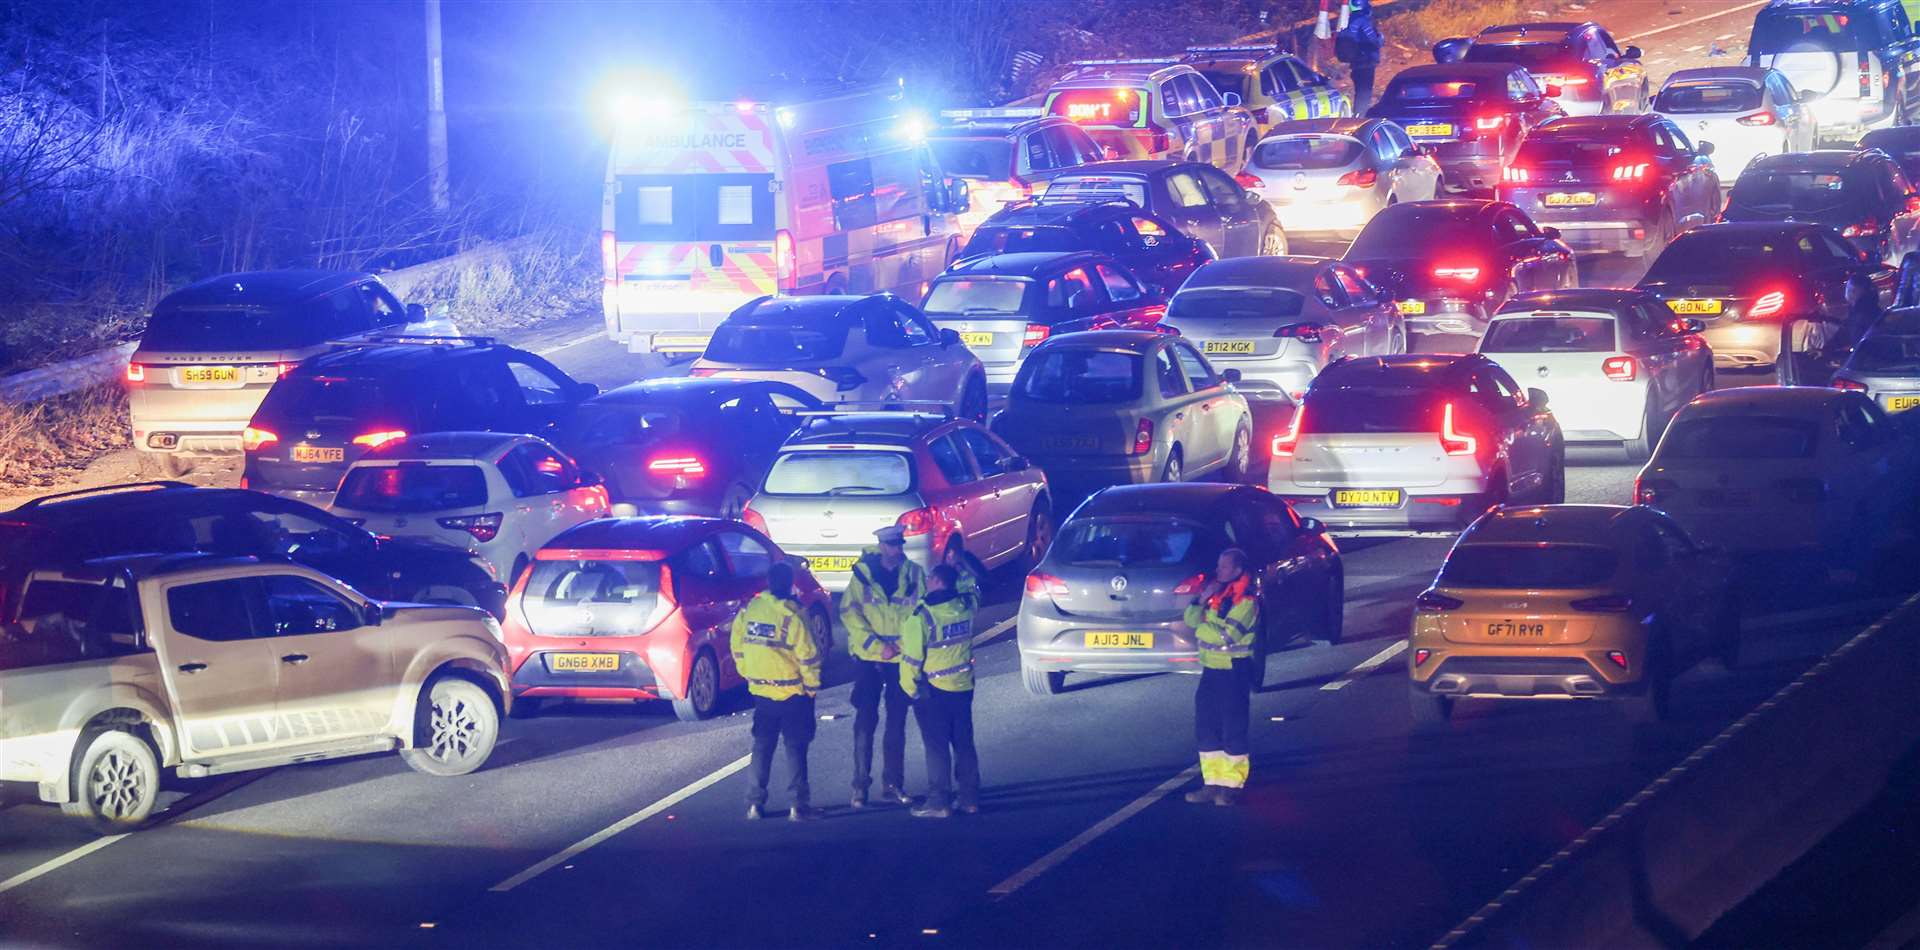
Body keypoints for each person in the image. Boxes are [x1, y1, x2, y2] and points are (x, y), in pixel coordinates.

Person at [730, 561, 825, 822]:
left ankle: (754, 804)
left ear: (768, 582)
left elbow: (737, 644)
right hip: (794, 693)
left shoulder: (750, 609)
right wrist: (812, 686)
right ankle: (798, 805)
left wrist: (747, 670)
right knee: (795, 748)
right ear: (789, 583)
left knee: (762, 746)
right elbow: (808, 655)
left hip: (761, 692)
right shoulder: (794, 615)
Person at [841, 524, 926, 808]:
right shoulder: (862, 576)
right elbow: (850, 615)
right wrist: (879, 647)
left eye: (900, 544)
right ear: (881, 546)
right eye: (892, 545)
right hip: (869, 661)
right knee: (865, 723)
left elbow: (923, 612)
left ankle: (893, 784)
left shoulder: (914, 573)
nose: (898, 550)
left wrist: (902, 646)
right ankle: (859, 786)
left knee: (896, 723)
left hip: (900, 660)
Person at [1179, 548, 1261, 806]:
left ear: (1237, 570)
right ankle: (1211, 783)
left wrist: (1203, 628)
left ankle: (1232, 786)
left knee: (1233, 728)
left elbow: (1228, 636)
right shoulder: (1217, 596)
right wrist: (1201, 599)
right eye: (1218, 566)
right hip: (1211, 670)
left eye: (1224, 567)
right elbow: (1190, 620)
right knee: (1206, 727)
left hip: (1233, 670)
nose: (1219, 571)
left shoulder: (1246, 601)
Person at [899, 564, 979, 818]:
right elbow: (973, 586)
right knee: (964, 744)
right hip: (963, 685)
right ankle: (969, 798)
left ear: (934, 581)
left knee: (936, 747)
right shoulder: (966, 606)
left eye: (930, 578)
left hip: (933, 691)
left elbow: (911, 660)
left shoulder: (921, 617)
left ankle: (938, 801)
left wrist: (910, 690)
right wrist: (959, 564)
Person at [1333, 0, 1383, 114]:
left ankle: (1357, 116)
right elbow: (1374, 42)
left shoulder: (1348, 21)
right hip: (1366, 63)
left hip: (1355, 63)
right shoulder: (1363, 21)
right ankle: (1360, 119)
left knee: (1359, 92)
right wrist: (1380, 38)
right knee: (1365, 94)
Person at [943, 534, 989, 613]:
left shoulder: (966, 567)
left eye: (951, 550)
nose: (949, 555)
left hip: (966, 607)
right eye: (947, 551)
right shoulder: (954, 569)